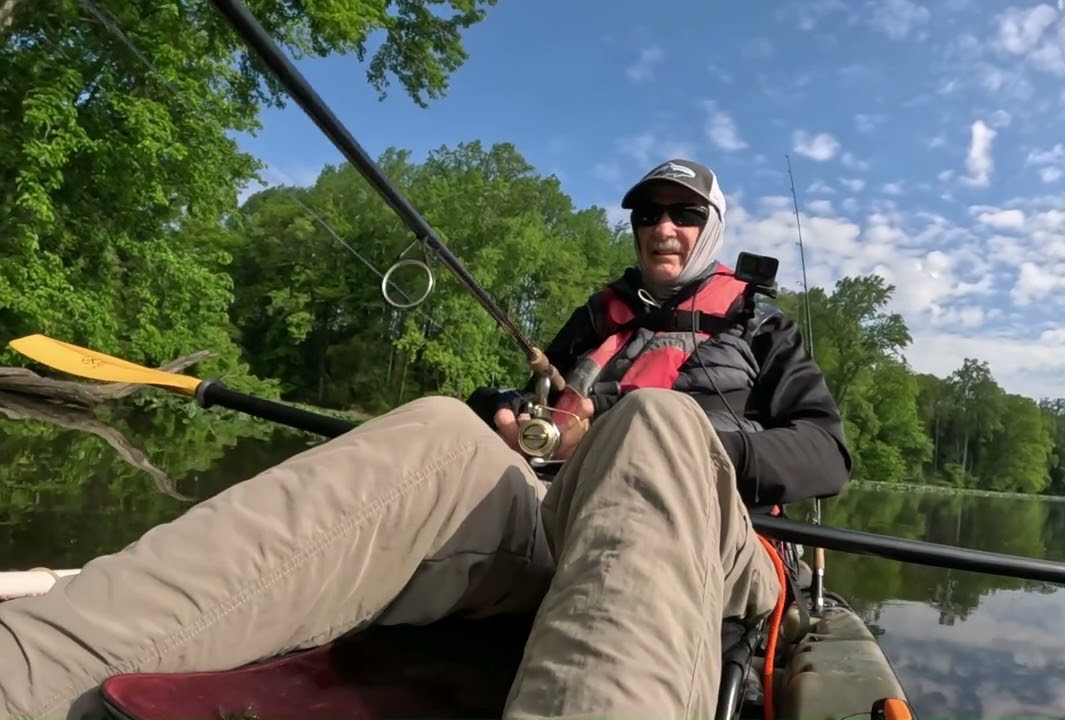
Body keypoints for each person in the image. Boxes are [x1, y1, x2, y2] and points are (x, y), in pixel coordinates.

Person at [0, 158, 852, 720]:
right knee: (446, 422)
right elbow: (526, 404)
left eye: (682, 213)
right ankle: (27, 675)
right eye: (647, 214)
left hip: (705, 546)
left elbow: (827, 453)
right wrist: (512, 419)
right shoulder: (598, 316)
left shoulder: (761, 329)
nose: (661, 227)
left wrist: (682, 435)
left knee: (655, 424)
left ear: (710, 224)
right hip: (553, 524)